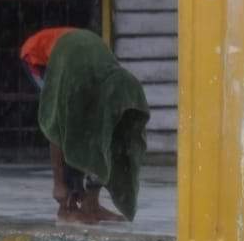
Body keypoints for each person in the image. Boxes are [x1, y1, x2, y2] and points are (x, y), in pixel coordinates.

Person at [19, 27, 149, 225]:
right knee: (64, 120)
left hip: (81, 54)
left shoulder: (117, 80)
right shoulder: (76, 81)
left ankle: (91, 205)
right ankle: (65, 208)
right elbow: (55, 125)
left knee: (95, 130)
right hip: (39, 58)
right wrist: (59, 185)